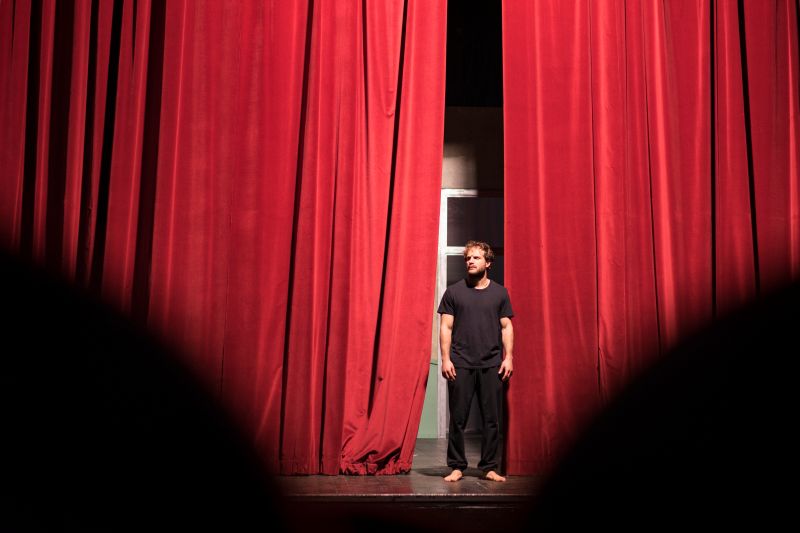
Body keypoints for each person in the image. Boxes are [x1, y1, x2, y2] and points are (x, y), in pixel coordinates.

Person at [438, 240, 514, 482]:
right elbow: (446, 327)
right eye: (468, 258)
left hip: (492, 363)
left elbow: (506, 327)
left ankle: (489, 467)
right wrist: (446, 359)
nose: (470, 261)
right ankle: (457, 466)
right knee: (458, 418)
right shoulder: (453, 292)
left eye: (476, 258)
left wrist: (509, 357)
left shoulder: (500, 293)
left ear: (488, 263)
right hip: (460, 363)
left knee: (492, 418)